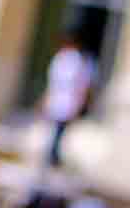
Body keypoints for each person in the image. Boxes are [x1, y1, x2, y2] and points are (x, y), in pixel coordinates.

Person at [40, 30, 94, 169]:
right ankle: (52, 155)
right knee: (56, 128)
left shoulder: (77, 60)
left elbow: (80, 84)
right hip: (60, 98)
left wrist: (80, 102)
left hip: (67, 99)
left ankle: (53, 155)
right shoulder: (63, 58)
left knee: (59, 129)